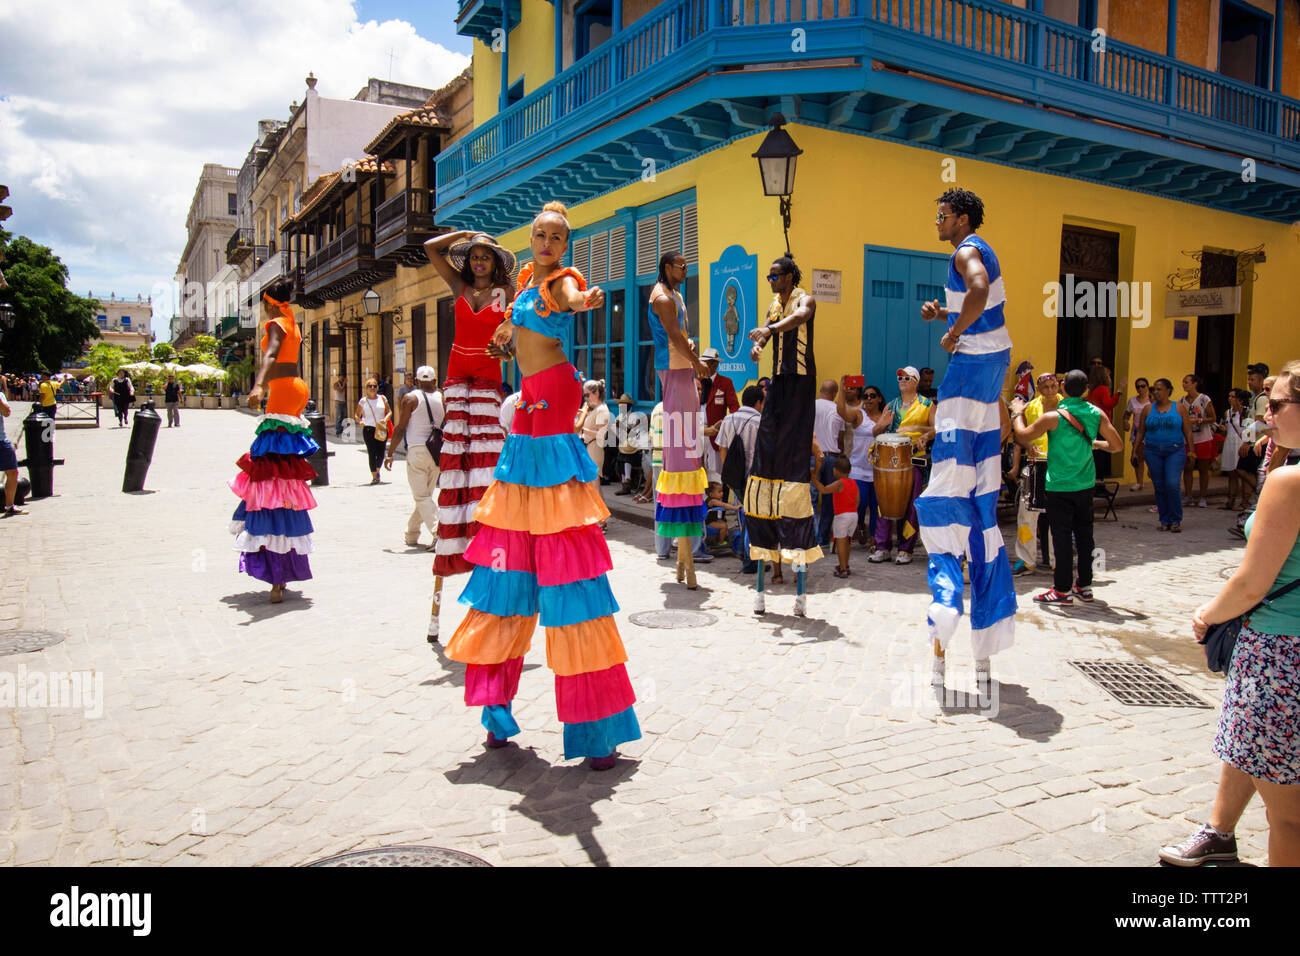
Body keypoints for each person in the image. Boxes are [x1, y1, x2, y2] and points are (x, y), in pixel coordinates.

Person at [444, 200, 639, 770]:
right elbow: (508, 335)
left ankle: (596, 730)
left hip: (554, 399)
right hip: (528, 404)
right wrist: (504, 338)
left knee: (566, 562)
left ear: (566, 244)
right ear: (530, 239)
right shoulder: (526, 283)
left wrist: (589, 301)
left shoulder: (561, 281)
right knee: (511, 552)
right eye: (539, 233)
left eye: (557, 235)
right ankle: (495, 711)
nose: (547, 241)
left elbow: (573, 301)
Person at [1190, 360, 1300, 866]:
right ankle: (1218, 833)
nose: (1266, 416)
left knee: (1289, 821)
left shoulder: (1291, 484)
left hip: (1280, 652)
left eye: (1275, 405)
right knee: (1255, 759)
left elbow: (1252, 582)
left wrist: (1208, 615)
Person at [915, 188, 1018, 694]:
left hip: (973, 362)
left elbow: (977, 290)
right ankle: (983, 652)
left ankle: (946, 607)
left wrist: (953, 331)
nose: (937, 220)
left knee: (946, 485)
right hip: (991, 365)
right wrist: (945, 315)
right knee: (979, 490)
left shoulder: (966, 250)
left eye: (942, 214)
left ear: (963, 218)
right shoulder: (979, 249)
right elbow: (982, 300)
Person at [422, 230, 515, 642]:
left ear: (495, 263)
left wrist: (506, 351)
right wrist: (466, 235)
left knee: (486, 471)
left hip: (488, 381)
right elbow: (430, 249)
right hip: (457, 379)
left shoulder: (506, 294)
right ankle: (452, 540)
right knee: (456, 462)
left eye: (485, 257)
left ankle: (491, 586)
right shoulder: (457, 285)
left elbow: (515, 345)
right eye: (474, 256)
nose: (478, 262)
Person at [745, 256, 823, 615]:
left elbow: (799, 319)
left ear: (789, 276)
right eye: (768, 277)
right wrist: (759, 343)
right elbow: (767, 327)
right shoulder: (774, 305)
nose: (771, 281)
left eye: (774, 276)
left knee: (792, 445)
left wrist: (770, 331)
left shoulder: (803, 298)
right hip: (778, 381)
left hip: (802, 381)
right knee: (768, 437)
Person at [229, 293, 319, 604]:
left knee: (268, 465)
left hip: (281, 390)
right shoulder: (292, 321)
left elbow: (270, 355)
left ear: (269, 303)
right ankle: (281, 567)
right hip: (296, 388)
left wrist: (258, 384)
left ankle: (276, 576)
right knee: (282, 466)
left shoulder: (277, 324)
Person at [1015, 369, 1123, 605]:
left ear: (1063, 387)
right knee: (1085, 536)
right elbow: (1117, 446)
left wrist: (1016, 414)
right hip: (1084, 484)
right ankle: (1084, 586)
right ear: (1086, 390)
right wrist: (1095, 443)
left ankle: (1062, 590)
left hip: (1059, 485)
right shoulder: (1096, 413)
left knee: (1061, 538)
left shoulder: (1053, 417)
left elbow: (1022, 436)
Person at [650, 251, 711, 590]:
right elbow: (673, 334)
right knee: (681, 448)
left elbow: (680, 333)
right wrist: (698, 363)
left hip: (681, 368)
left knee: (689, 444)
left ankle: (684, 558)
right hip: (675, 369)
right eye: (681, 266)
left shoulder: (675, 294)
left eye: (688, 266)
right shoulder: (662, 297)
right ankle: (683, 551)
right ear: (667, 268)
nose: (686, 271)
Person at [872, 366, 934, 565]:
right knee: (884, 503)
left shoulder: (927, 404)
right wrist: (883, 424)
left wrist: (921, 431)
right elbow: (876, 431)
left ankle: (906, 548)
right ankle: (882, 547)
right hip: (889, 460)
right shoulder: (891, 405)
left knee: (911, 505)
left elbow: (938, 428)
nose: (902, 380)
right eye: (900, 377)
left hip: (913, 458)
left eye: (907, 377)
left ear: (915, 381)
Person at [384, 366, 444, 550]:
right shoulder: (443, 397)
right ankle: (411, 534)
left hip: (417, 450)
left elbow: (400, 428)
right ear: (434, 381)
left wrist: (390, 452)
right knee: (424, 496)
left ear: (416, 381)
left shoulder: (411, 398)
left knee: (421, 496)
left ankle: (438, 533)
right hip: (437, 451)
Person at [1011, 372, 1060, 576]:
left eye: (1053, 386)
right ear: (1038, 389)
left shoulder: (1067, 407)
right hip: (1035, 465)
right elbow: (1020, 436)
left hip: (1060, 466)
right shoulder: (1031, 408)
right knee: (1027, 515)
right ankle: (1026, 560)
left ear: (1058, 386)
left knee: (1059, 516)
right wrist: (1029, 445)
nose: (1050, 390)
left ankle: (1060, 560)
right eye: (1045, 387)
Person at [716, 384, 764, 573]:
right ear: (759, 402)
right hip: (755, 477)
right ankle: (749, 559)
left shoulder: (728, 419)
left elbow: (722, 448)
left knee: (742, 515)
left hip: (735, 478)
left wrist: (728, 474)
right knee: (753, 518)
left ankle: (746, 556)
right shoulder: (760, 421)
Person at [1135, 378, 1193, 532]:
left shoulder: (1179, 408)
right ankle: (1164, 519)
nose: (1156, 392)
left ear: (1168, 390)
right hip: (1152, 451)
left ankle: (1175, 519)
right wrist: (1135, 450)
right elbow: (1141, 431)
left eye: (1160, 389)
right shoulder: (1148, 409)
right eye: (1155, 389)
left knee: (1172, 484)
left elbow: (1187, 430)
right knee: (1159, 486)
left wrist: (1191, 450)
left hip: (1175, 450)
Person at [837, 380, 890, 550]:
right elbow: (841, 412)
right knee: (859, 505)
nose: (868, 399)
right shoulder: (859, 415)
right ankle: (859, 527)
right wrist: (842, 390)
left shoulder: (886, 416)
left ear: (879, 399)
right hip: (858, 469)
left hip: (878, 471)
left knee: (876, 507)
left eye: (872, 396)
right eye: (865, 396)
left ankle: (874, 539)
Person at [811, 455, 858, 578]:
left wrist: (814, 479)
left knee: (841, 543)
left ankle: (842, 569)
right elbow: (857, 500)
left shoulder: (838, 483)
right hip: (853, 515)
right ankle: (846, 565)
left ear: (836, 470)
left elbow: (824, 489)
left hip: (842, 516)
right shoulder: (853, 483)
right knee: (847, 542)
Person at [812, 379, 845, 549]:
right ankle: (822, 538)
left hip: (812, 456)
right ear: (835, 393)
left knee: (810, 498)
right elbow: (840, 439)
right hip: (832, 457)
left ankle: (810, 538)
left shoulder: (811, 406)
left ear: (820, 390)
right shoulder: (838, 410)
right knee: (829, 500)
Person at [576, 380, 612, 533]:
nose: (586, 398)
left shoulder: (602, 410)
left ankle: (601, 520)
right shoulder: (595, 409)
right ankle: (600, 517)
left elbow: (602, 436)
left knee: (595, 485)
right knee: (593, 485)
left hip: (595, 448)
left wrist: (583, 429)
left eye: (587, 395)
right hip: (590, 447)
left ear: (596, 393)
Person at [1179, 373, 1216, 508]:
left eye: (1186, 382)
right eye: (1183, 382)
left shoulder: (1204, 399)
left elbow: (1213, 418)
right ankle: (1188, 495)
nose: (1184, 384)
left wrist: (1199, 420)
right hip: (1188, 439)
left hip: (1203, 438)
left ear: (1195, 383)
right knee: (1187, 467)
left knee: (1203, 469)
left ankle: (1203, 497)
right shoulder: (1181, 401)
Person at [1085, 364, 1123, 479]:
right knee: (1102, 454)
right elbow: (1109, 404)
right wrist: (1118, 393)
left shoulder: (1091, 389)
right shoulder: (1102, 389)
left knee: (1095, 455)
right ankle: (1100, 483)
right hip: (1101, 425)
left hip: (1091, 424)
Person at [699, 347, 739, 454]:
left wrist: (726, 428)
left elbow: (734, 408)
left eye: (705, 363)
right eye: (701, 363)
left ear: (714, 365)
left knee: (715, 470)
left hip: (716, 434)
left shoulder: (725, 383)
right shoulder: (696, 382)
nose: (702, 366)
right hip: (698, 433)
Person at [1218, 388, 1250, 511]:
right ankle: (1230, 500)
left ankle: (1245, 501)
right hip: (1229, 443)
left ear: (1239, 399)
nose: (1230, 399)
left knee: (1241, 472)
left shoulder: (1246, 412)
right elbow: (1227, 428)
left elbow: (1249, 430)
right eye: (1229, 396)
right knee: (1231, 473)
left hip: (1240, 443)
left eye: (1233, 396)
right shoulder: (1228, 412)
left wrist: (1247, 443)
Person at [356, 379, 391, 485]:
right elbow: (357, 415)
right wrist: (360, 421)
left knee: (381, 452)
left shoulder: (382, 398)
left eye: (374, 386)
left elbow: (389, 411)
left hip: (381, 428)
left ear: (377, 387)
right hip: (368, 429)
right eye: (370, 386)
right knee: (372, 452)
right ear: (366, 388)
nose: (372, 388)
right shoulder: (363, 401)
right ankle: (375, 476)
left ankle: (377, 469)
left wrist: (385, 419)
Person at [0, 390, 26, 517]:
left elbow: (6, 413)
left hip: (1, 440)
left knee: (12, 471)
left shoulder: (0, 395)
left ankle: (9, 506)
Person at [1121, 378, 1149, 491]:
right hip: (1137, 433)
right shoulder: (1132, 401)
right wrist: (1126, 422)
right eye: (1138, 386)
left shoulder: (1152, 401)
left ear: (1147, 387)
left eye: (1143, 386)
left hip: (1150, 433)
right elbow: (1126, 415)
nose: (1140, 389)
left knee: (1150, 457)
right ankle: (1139, 482)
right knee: (1137, 457)